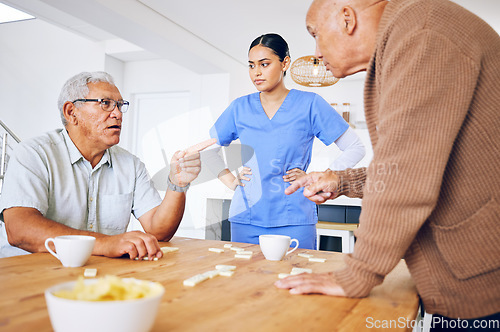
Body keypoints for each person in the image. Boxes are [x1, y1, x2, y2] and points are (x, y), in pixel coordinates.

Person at [275, 0, 500, 328]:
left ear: (347, 18)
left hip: (483, 285)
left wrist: (357, 273)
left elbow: (407, 173)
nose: (317, 52)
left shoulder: (422, 35)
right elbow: (420, 164)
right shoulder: (416, 31)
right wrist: (343, 181)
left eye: (316, 34)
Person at [0, 71, 215, 259]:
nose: (118, 114)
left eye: (120, 105)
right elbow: (20, 229)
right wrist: (104, 243)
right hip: (28, 277)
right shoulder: (33, 154)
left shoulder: (131, 165)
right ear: (71, 112)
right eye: (105, 103)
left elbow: (159, 231)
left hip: (98, 278)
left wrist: (176, 184)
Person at [209, 33, 365, 249]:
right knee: (245, 280)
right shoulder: (239, 108)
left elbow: (355, 147)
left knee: (297, 278)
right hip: (246, 216)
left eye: (264, 64)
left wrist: (321, 177)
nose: (257, 72)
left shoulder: (310, 104)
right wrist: (230, 180)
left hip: (295, 217)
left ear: (285, 63)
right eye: (252, 66)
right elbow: (206, 151)